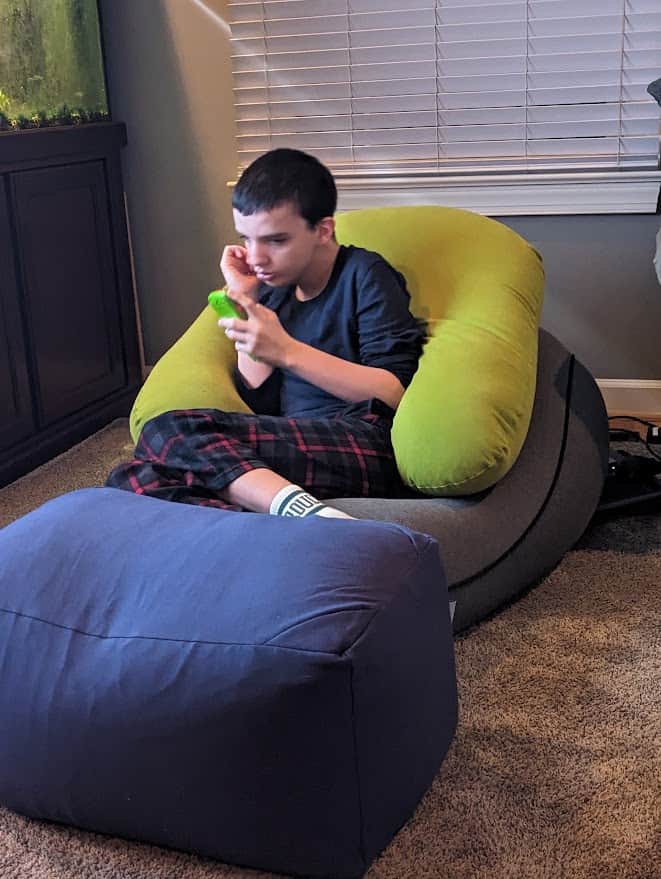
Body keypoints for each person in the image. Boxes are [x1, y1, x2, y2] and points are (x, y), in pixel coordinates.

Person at [106, 148, 425, 518]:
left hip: (365, 443)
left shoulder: (364, 275)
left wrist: (288, 351)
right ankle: (284, 524)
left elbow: (393, 392)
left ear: (323, 230)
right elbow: (258, 398)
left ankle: (304, 515)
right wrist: (243, 299)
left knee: (168, 430)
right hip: (289, 441)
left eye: (276, 240)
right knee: (132, 478)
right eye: (246, 239)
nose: (256, 257)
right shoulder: (272, 288)